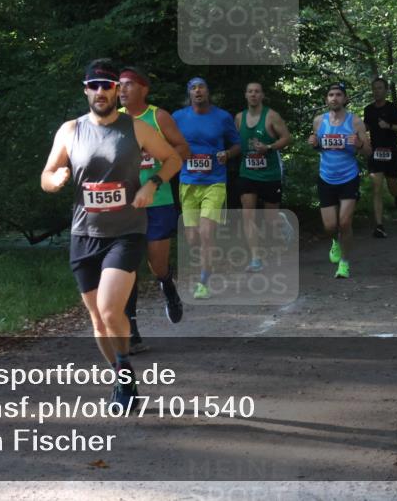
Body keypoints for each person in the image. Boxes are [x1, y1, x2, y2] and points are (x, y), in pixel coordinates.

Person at [41, 59, 181, 410]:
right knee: (97, 322)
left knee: (108, 310)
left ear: (117, 90)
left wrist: (152, 184)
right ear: (85, 89)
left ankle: (122, 370)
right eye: (95, 85)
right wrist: (54, 181)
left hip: (127, 232)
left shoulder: (136, 128)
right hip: (85, 233)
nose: (101, 91)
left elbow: (173, 159)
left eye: (108, 85)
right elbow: (47, 173)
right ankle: (123, 375)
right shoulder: (70, 130)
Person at [118, 66, 190, 353]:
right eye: (119, 86)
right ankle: (132, 329)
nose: (121, 90)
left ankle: (167, 284)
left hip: (158, 201)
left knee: (156, 264)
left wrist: (156, 154)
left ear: (144, 89)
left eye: (128, 85)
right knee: (127, 266)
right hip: (126, 204)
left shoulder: (158, 117)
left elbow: (183, 149)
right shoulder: (115, 121)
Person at [173, 77, 241, 299]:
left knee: (206, 233)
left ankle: (203, 281)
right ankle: (207, 263)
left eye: (202, 86)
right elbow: (167, 143)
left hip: (215, 181)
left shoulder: (222, 117)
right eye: (193, 87)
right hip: (189, 182)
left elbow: (238, 144)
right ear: (189, 94)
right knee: (192, 237)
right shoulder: (178, 117)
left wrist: (227, 154)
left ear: (208, 92)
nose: (198, 90)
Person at [307, 81, 372, 279]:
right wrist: (314, 144)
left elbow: (368, 152)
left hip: (348, 177)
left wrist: (359, 143)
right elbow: (318, 146)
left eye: (338, 95)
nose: (334, 98)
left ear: (345, 99)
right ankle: (335, 242)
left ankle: (344, 263)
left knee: (344, 223)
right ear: (327, 99)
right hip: (326, 177)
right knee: (329, 226)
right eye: (331, 95)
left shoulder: (355, 122)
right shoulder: (319, 121)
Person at [235, 82, 293, 272]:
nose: (253, 95)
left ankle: (280, 220)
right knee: (248, 214)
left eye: (257, 91)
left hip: (270, 174)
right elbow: (236, 142)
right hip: (247, 172)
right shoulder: (238, 118)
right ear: (245, 95)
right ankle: (255, 258)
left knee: (270, 218)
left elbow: (287, 138)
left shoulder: (271, 116)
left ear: (262, 95)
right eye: (250, 91)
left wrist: (268, 147)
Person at [362, 77, 397, 239]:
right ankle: (379, 226)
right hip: (375, 153)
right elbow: (366, 126)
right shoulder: (368, 109)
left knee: (392, 186)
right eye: (374, 88)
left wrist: (389, 126)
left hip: (391, 152)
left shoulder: (393, 108)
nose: (377, 91)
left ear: (386, 90)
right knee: (376, 188)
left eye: (380, 88)